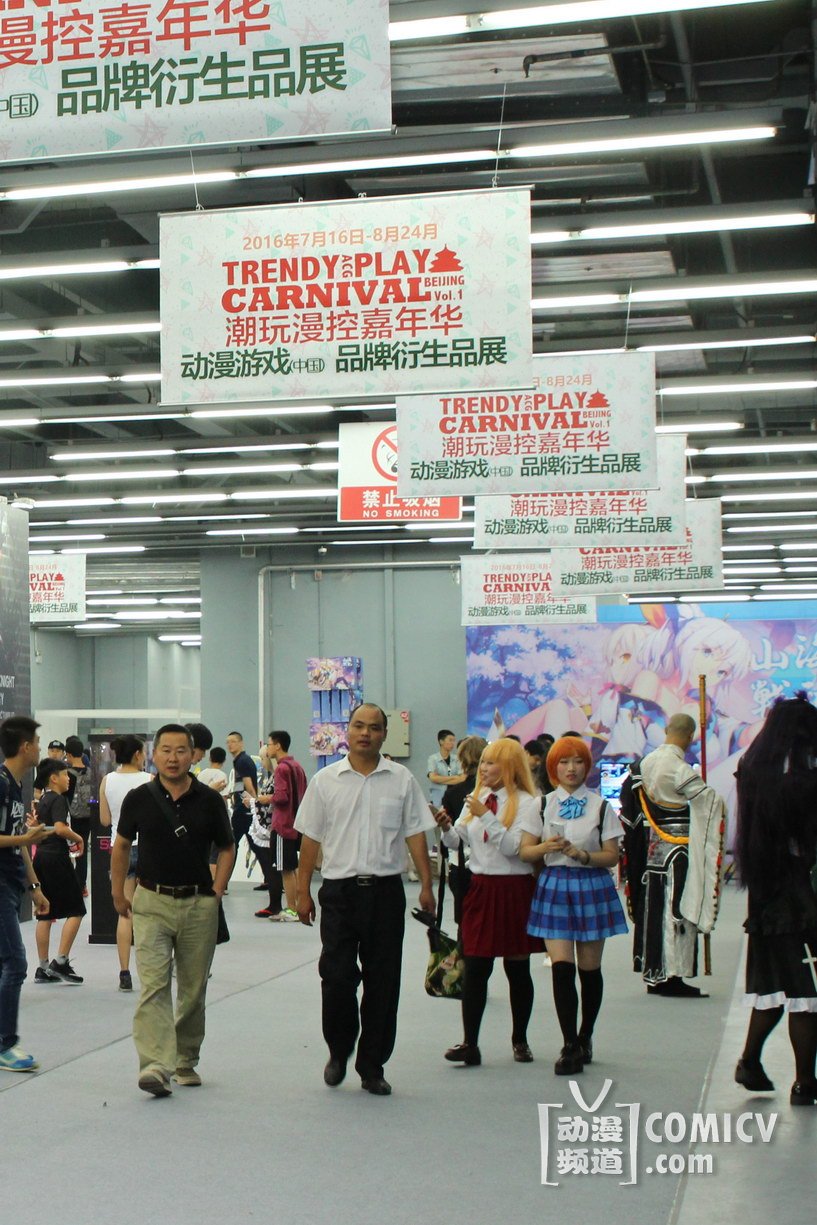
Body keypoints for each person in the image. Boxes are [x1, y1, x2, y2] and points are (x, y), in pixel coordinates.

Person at [295, 703, 435, 1096]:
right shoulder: (326, 781)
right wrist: (302, 891)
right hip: (339, 893)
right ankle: (339, 1050)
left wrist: (427, 884)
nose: (366, 733)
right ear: (348, 730)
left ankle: (372, 1065)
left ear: (384, 734)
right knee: (336, 977)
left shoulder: (402, 780)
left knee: (383, 982)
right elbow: (310, 838)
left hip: (386, 892)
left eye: (374, 727)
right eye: (359, 725)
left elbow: (416, 833)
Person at [111, 724, 235, 1097]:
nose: (173, 758)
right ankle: (154, 1065)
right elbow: (121, 846)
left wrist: (217, 891)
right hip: (151, 901)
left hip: (198, 903)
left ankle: (184, 1060)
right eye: (165, 750)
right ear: (154, 754)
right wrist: (117, 892)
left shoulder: (209, 801)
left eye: (181, 750)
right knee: (154, 985)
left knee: (193, 989)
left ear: (192, 755)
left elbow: (226, 847)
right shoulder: (139, 798)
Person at [522, 736, 628, 1074]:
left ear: (587, 766)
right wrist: (547, 848)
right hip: (554, 885)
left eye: (578, 761)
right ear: (553, 767)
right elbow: (525, 850)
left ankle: (586, 1035)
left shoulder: (600, 806)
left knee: (590, 969)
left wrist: (582, 855)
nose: (571, 768)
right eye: (564, 762)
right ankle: (569, 1044)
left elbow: (612, 855)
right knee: (561, 968)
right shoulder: (541, 805)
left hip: (592, 885)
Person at [437, 738, 543, 1068]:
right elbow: (457, 840)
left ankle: (520, 1040)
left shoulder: (528, 803)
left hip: (514, 889)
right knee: (475, 968)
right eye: (483, 762)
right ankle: (470, 1043)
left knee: (517, 968)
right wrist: (445, 827)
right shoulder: (478, 797)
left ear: (510, 767)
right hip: (480, 888)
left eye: (491, 763)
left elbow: (514, 849)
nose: (483, 769)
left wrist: (486, 817)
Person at [733, 693, 817, 1106]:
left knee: (776, 986)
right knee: (806, 989)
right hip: (801, 895)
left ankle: (750, 1061)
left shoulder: (752, 768)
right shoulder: (802, 779)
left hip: (767, 895)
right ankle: (804, 1082)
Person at [619, 713, 725, 998]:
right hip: (680, 850)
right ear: (691, 737)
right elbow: (708, 802)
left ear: (666, 730)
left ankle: (655, 971)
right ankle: (673, 973)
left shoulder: (644, 764)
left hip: (653, 847)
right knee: (678, 909)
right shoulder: (679, 768)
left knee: (655, 909)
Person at [0, 716, 51, 1072]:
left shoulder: (16, 786)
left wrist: (35, 887)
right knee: (16, 963)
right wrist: (26, 838)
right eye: (36, 742)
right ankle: (6, 1044)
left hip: (12, 883)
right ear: (25, 746)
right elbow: (18, 839)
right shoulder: (2, 784)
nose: (39, 748)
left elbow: (19, 843)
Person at [98, 735, 152, 991]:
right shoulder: (150, 780)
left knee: (125, 912)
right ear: (137, 754)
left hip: (120, 849)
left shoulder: (107, 780)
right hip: (147, 849)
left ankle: (124, 972)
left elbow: (105, 820)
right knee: (150, 911)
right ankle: (152, 969)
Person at [30, 759, 86, 985]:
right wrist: (79, 837)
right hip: (56, 858)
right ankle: (61, 961)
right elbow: (61, 829)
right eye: (64, 774)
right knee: (77, 909)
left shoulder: (43, 799)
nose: (68, 778)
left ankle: (43, 967)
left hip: (41, 858)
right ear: (53, 778)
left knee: (45, 912)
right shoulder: (59, 799)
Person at [438, 734, 486, 925]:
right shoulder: (498, 793)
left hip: (460, 863)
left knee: (465, 926)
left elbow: (451, 840)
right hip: (487, 864)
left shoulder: (452, 793)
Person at [265, 730, 307, 922]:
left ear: (278, 745)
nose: (267, 748)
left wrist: (266, 798)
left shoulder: (281, 769)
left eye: (269, 744)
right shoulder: (297, 766)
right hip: (296, 824)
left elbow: (281, 797)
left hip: (283, 825)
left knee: (286, 870)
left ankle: (291, 909)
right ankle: (298, 906)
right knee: (293, 867)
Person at [226, 730, 258, 864]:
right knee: (255, 845)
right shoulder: (241, 760)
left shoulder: (242, 761)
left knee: (231, 844)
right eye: (228, 742)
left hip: (244, 808)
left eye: (233, 742)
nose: (230, 745)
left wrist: (255, 804)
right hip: (244, 807)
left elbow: (248, 786)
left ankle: (225, 874)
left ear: (241, 743)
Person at [65, 735, 92, 896]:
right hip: (88, 817)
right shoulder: (91, 772)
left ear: (68, 754)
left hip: (73, 817)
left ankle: (74, 885)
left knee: (72, 851)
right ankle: (81, 885)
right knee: (83, 852)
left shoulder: (67, 774)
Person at [427, 729, 465, 807]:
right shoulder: (433, 759)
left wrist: (440, 779)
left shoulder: (457, 759)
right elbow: (433, 778)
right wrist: (454, 777)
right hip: (438, 797)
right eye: (450, 740)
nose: (453, 743)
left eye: (454, 741)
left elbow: (462, 778)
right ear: (441, 741)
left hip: (454, 795)